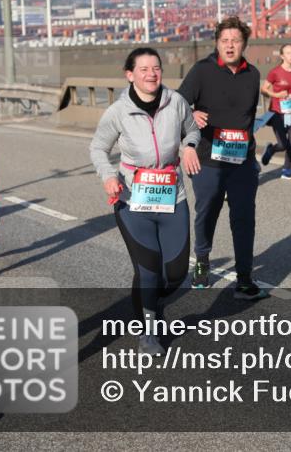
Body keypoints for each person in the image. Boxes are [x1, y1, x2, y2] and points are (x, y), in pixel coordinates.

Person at [89, 48, 200, 355]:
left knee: (176, 273)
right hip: (132, 200)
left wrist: (189, 146)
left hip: (171, 197)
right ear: (130, 75)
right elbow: (98, 148)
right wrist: (108, 175)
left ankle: (148, 302)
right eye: (143, 69)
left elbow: (192, 130)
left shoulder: (175, 102)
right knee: (149, 269)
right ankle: (148, 331)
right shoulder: (118, 111)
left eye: (156, 68)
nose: (151, 74)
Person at [177, 17, 267, 299]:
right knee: (208, 212)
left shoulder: (253, 74)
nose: (230, 46)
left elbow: (250, 116)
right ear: (217, 43)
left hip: (242, 160)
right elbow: (178, 104)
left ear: (244, 44)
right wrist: (191, 116)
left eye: (236, 41)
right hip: (207, 159)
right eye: (225, 41)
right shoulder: (202, 70)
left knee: (244, 217)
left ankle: (244, 277)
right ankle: (202, 261)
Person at [260, 43, 291, 180]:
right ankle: (271, 149)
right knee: (283, 144)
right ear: (282, 56)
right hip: (277, 113)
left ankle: (286, 170)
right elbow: (264, 89)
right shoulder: (275, 72)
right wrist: (276, 95)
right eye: (288, 53)